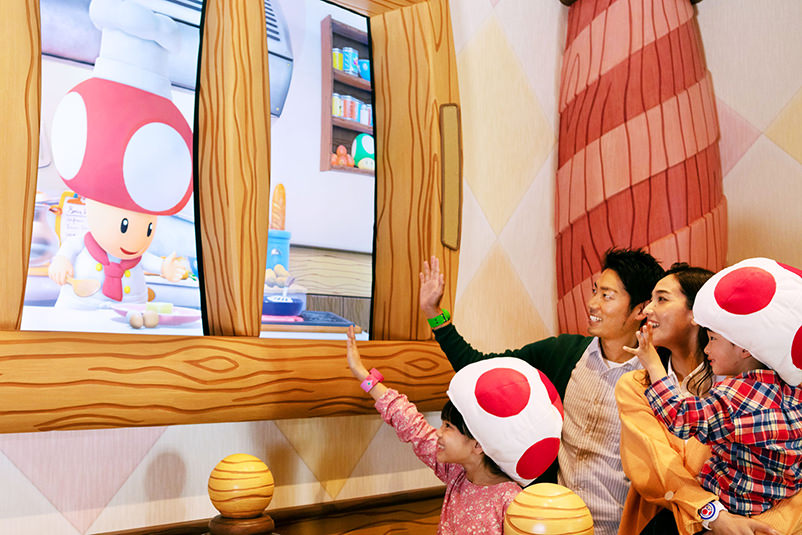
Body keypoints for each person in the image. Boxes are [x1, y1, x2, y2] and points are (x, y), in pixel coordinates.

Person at [419, 248, 665, 535]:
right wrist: (434, 315)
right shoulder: (564, 353)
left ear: (640, 309)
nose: (592, 303)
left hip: (623, 528)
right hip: (553, 524)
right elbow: (482, 372)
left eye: (607, 296)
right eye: (595, 291)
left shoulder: (658, 376)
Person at [622, 258, 802, 534]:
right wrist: (715, 516)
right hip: (716, 515)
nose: (647, 309)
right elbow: (656, 473)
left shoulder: (733, 393)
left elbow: (679, 416)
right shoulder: (789, 392)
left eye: (662, 299)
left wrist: (653, 365)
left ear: (695, 313)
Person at [344, 325, 563, 535]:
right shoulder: (455, 473)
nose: (438, 433)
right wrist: (363, 376)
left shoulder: (512, 501)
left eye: (448, 427)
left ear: (478, 444)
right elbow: (409, 422)